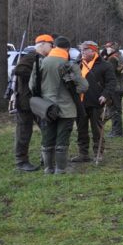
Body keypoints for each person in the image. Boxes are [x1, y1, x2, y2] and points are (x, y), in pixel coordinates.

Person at [29, 36, 88, 174]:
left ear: (54, 46)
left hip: (46, 108)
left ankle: (48, 168)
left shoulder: (39, 63)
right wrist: (73, 90)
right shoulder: (69, 65)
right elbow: (84, 86)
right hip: (67, 108)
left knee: (47, 137)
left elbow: (32, 86)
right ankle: (61, 169)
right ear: (67, 49)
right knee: (62, 139)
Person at [12, 34, 54, 171]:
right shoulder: (31, 57)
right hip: (25, 102)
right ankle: (21, 162)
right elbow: (18, 70)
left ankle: (46, 157)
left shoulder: (43, 58)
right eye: (50, 44)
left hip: (37, 102)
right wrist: (37, 74)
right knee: (24, 132)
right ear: (41, 44)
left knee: (47, 128)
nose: (52, 47)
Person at [71, 41, 117, 163]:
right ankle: (83, 153)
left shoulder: (105, 65)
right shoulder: (77, 64)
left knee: (97, 129)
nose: (82, 52)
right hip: (79, 103)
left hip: (97, 102)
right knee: (81, 129)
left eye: (85, 49)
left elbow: (111, 82)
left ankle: (98, 154)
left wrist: (105, 95)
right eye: (81, 49)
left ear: (93, 51)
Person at [101, 41, 123, 137]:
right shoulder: (119, 56)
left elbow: (108, 73)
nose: (106, 49)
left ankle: (117, 132)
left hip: (115, 88)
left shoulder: (112, 59)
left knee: (114, 110)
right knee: (114, 109)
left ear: (113, 48)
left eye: (108, 47)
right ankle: (115, 130)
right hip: (120, 87)